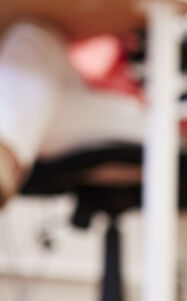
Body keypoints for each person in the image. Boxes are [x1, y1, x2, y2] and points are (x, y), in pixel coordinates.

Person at [0, 20, 146, 208]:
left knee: (32, 38)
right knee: (32, 38)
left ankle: (6, 155)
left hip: (152, 116)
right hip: (86, 90)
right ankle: (6, 156)